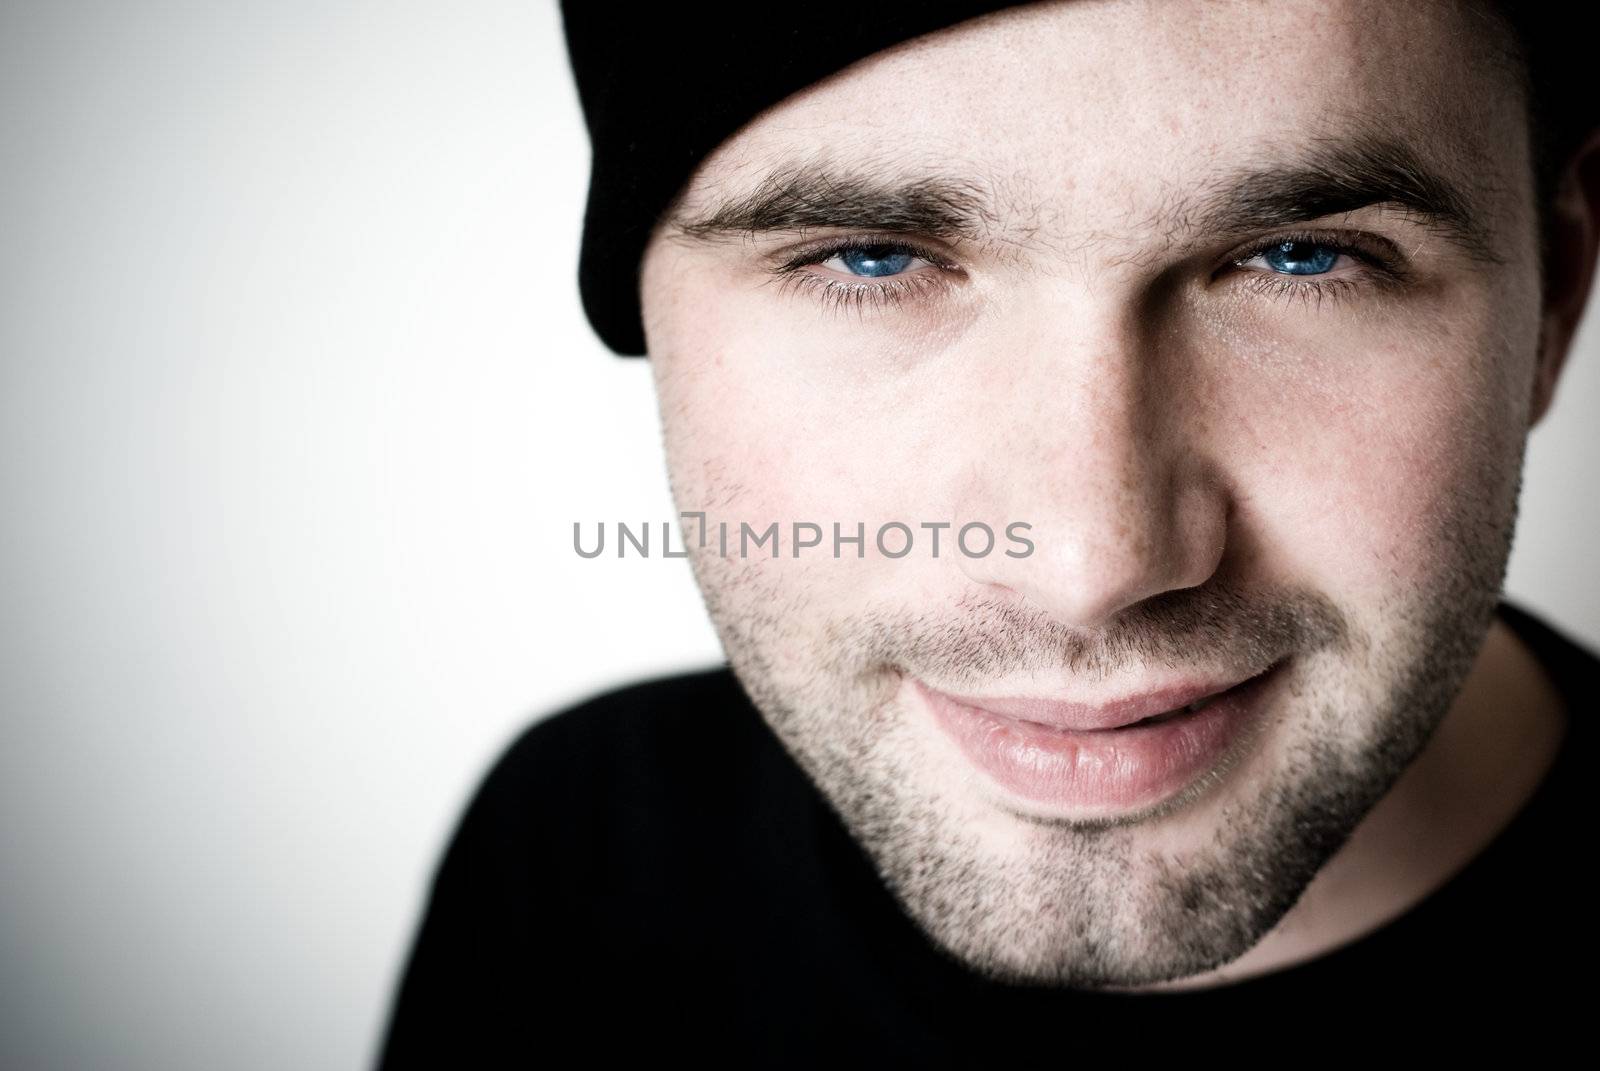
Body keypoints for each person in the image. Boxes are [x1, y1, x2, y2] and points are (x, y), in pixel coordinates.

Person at [379, 1, 1599, 1061]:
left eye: (1301, 256)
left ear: (1550, 303)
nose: (1090, 567)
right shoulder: (578, 853)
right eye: (870, 259)